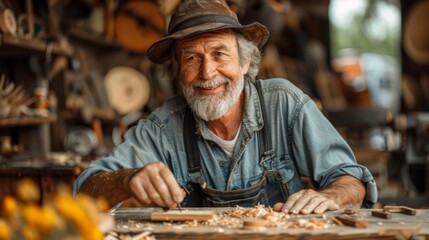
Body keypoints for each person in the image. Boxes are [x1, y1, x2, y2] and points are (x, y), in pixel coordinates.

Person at [74, 0, 377, 214]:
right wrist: (126, 180)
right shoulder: (164, 126)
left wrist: (333, 196)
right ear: (178, 72)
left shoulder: (285, 103)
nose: (207, 74)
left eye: (220, 55)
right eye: (191, 58)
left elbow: (350, 178)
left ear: (245, 62)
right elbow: (85, 189)